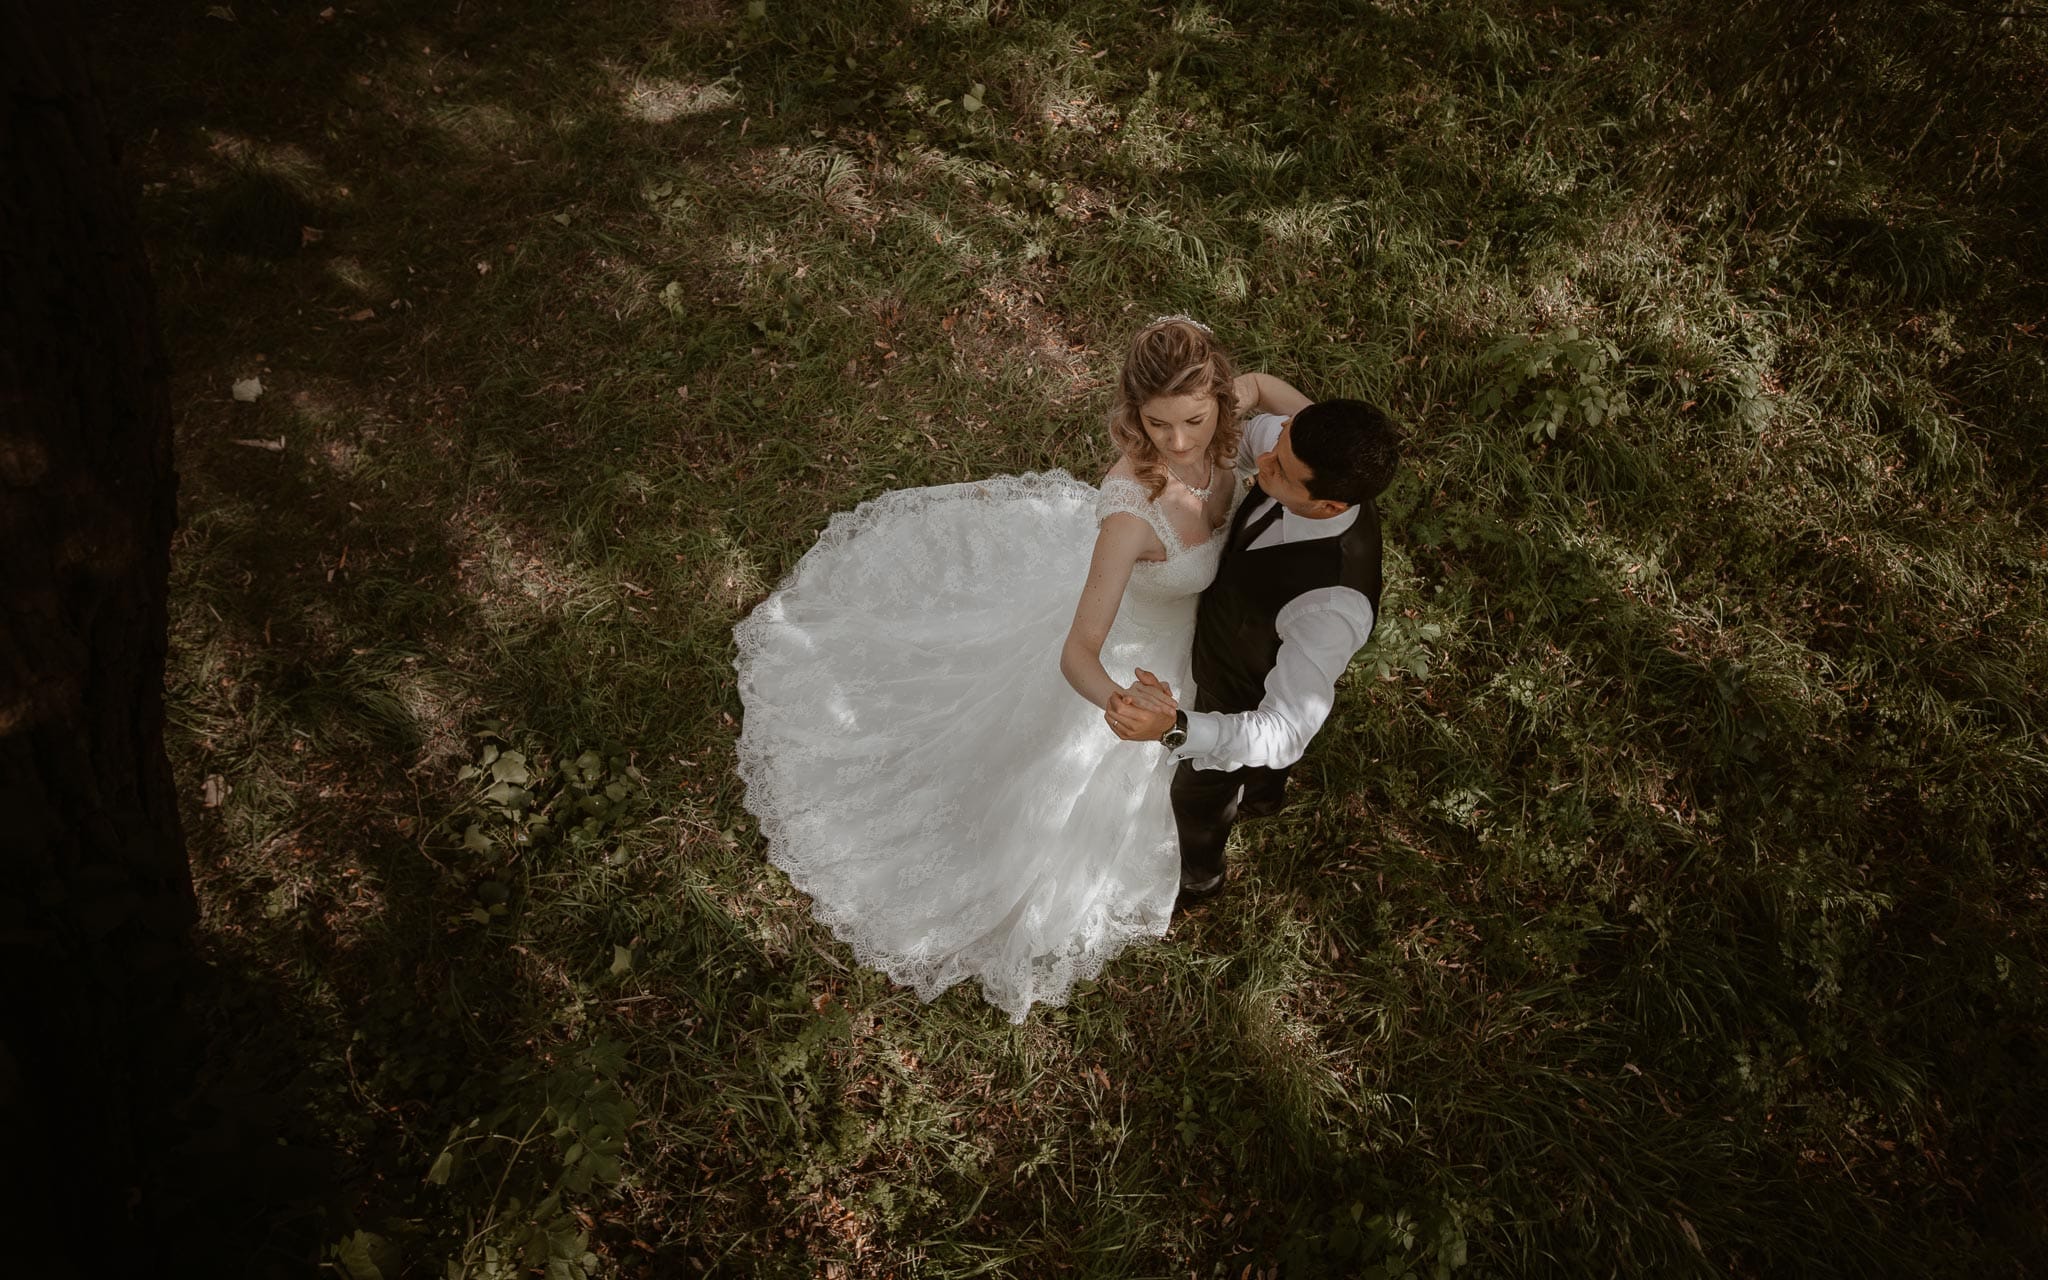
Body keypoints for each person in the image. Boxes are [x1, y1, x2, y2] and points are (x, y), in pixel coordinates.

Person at [733, 318, 1300, 1021]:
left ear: (1217, 396)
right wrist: (1124, 707)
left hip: (1203, 638)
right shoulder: (1132, 514)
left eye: (1193, 419)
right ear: (1134, 414)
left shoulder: (1227, 416)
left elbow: (1271, 389)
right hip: (1139, 658)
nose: (1179, 442)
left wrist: (1323, 452)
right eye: (1157, 425)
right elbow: (1077, 653)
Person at [1105, 397, 1402, 901]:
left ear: (1331, 507)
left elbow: (1286, 728)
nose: (1261, 465)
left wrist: (1178, 728)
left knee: (1197, 798)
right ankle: (1264, 795)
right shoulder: (1300, 452)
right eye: (1280, 441)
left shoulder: (1330, 607)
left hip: (1239, 693)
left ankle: (1200, 879)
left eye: (1280, 470)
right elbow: (1244, 439)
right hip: (1222, 632)